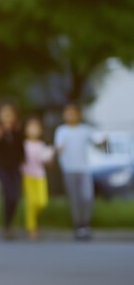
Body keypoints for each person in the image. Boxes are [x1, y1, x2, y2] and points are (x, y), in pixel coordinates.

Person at [55, 103, 106, 240]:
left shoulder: (85, 130)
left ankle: (86, 224)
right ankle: (78, 226)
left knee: (87, 196)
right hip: (69, 170)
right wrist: (57, 150)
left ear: (79, 115)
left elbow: (97, 144)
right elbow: (58, 147)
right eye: (68, 112)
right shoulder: (61, 130)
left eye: (74, 112)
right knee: (75, 199)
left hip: (84, 169)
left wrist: (104, 142)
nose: (71, 115)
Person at [0, 100, 25, 239]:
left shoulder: (18, 130)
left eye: (9, 113)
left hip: (16, 167)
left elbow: (21, 149)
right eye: (4, 113)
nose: (7, 116)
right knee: (8, 194)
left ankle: (10, 223)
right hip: (2, 167)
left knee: (15, 195)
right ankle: (6, 226)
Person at [22, 117, 54, 241]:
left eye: (36, 128)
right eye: (31, 127)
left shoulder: (42, 145)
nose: (33, 130)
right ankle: (32, 228)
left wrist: (50, 159)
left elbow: (47, 161)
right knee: (30, 203)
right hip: (27, 175)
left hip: (40, 176)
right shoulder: (24, 145)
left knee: (41, 201)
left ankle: (34, 221)